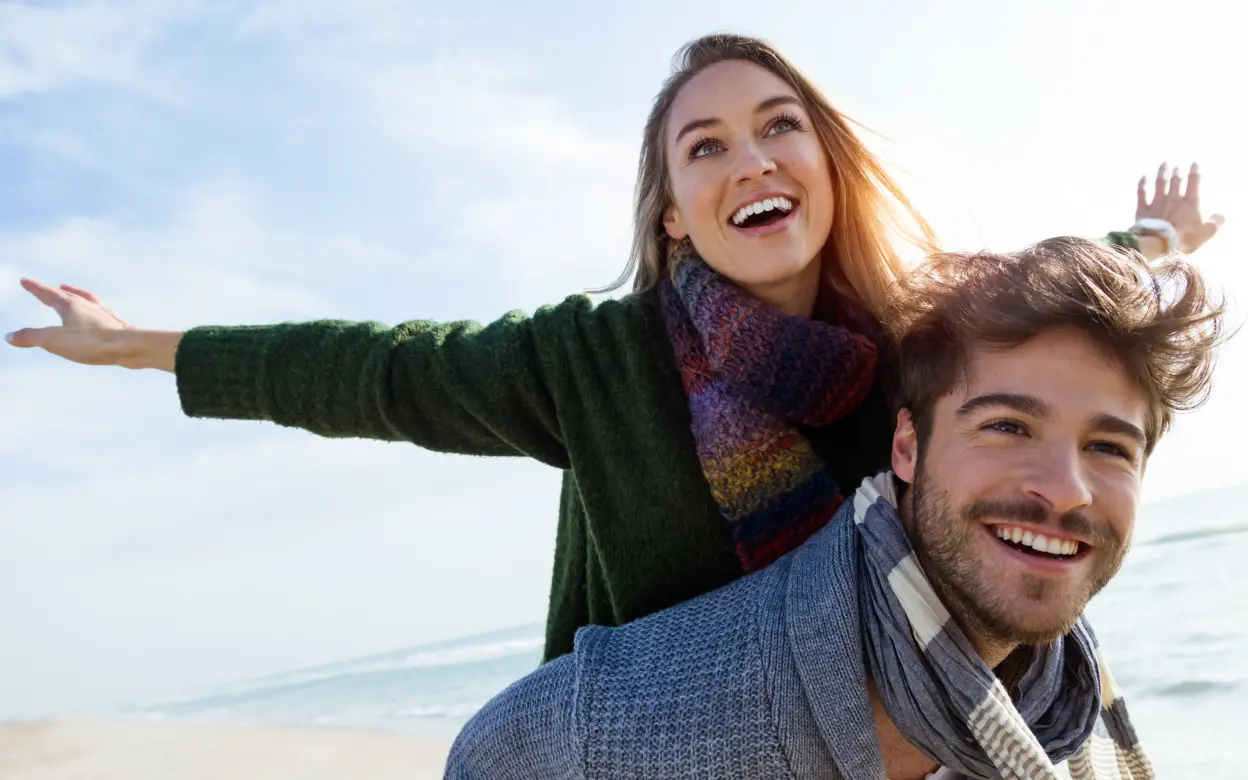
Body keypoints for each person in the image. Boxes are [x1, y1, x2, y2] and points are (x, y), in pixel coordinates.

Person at [4, 34, 1226, 663]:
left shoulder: (927, 337)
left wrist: (1160, 239)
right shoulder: (593, 359)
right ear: (671, 211)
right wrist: (141, 350)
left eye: (778, 127)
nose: (749, 159)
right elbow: (379, 366)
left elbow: (1054, 289)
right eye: (705, 147)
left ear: (826, 165)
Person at [442, 237, 1228, 780]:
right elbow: (496, 750)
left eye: (1109, 448)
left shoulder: (1061, 703)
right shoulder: (645, 718)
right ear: (908, 449)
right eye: (1006, 426)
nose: (1066, 489)